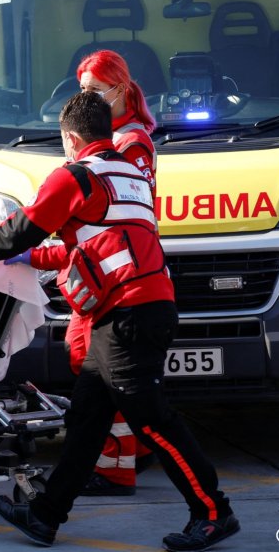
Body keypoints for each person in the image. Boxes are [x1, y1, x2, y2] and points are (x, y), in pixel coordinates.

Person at [0, 92, 238, 551]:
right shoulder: (131, 176)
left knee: (152, 421)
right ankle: (45, 515)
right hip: (147, 306)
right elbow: (95, 247)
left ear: (71, 138)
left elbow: (23, 227)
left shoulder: (76, 176)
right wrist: (37, 258)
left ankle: (213, 512)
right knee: (88, 419)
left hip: (128, 315)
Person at [52, 49, 161, 497]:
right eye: (83, 91)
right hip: (106, 266)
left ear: (120, 89)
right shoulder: (119, 135)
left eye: (96, 90)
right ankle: (124, 452)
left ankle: (117, 466)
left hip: (113, 273)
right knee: (92, 363)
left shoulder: (131, 143)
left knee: (91, 361)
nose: (90, 98)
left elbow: (121, 211)